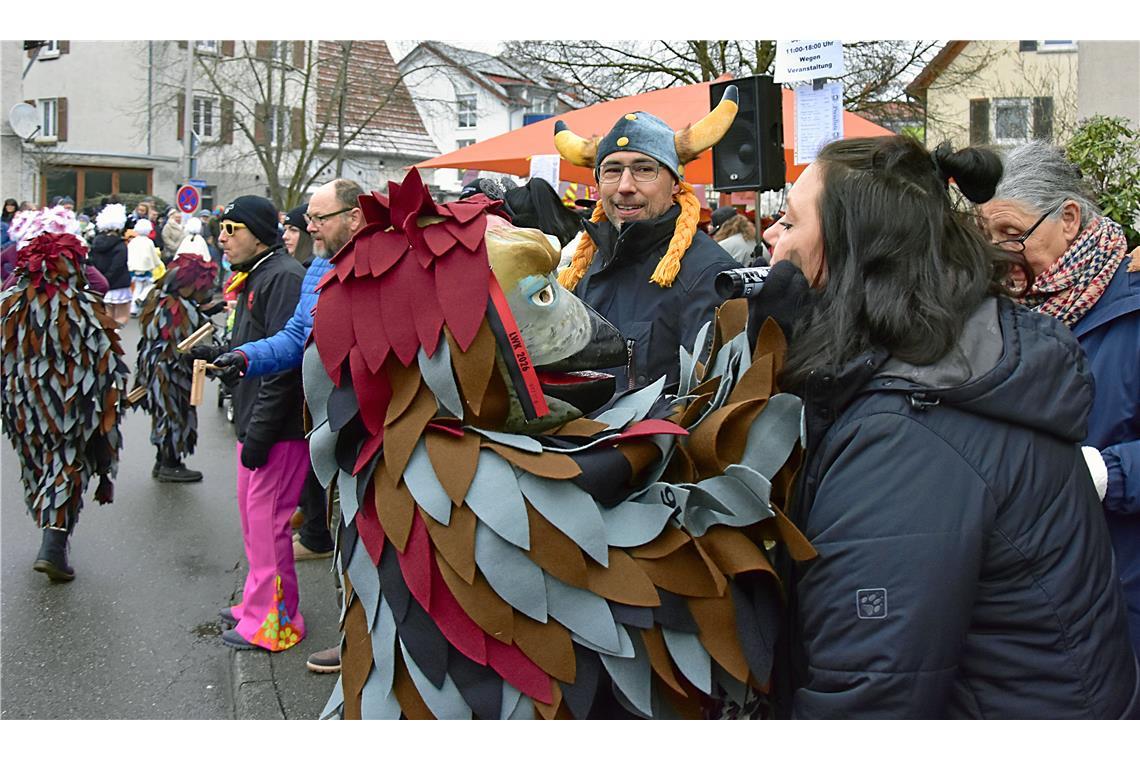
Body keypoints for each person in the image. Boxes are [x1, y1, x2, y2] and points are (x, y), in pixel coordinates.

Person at [748, 135, 1139, 718]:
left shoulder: (907, 428)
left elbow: (870, 697)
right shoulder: (940, 356)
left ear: (851, 249)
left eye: (791, 219)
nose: (772, 237)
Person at [979, 140, 1140, 658]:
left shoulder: (1131, 307)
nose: (1000, 252)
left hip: (1119, 595)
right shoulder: (995, 311)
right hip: (1031, 605)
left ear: (1068, 218)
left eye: (1012, 233)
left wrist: (1106, 472)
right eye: (987, 236)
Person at [208, 179, 365, 674]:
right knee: (319, 533)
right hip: (323, 425)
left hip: (367, 428)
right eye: (309, 218)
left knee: (359, 540)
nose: (308, 226)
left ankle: (353, 640)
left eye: (320, 218)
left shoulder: (382, 262)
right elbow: (296, 337)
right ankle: (280, 617)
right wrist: (244, 356)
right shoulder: (318, 266)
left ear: (355, 217)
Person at [554, 92, 740, 391]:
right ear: (598, 182)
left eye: (644, 169)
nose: (625, 186)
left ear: (676, 184)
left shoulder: (711, 275)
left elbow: (705, 403)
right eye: (613, 170)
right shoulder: (586, 265)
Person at [196, 195, 308, 652]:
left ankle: (277, 624)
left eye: (233, 228)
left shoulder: (282, 277)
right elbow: (253, 344)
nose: (222, 237)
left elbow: (285, 364)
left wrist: (260, 432)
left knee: (270, 527)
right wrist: (220, 354)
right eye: (221, 228)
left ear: (260, 233)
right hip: (256, 424)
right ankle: (258, 605)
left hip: (277, 430)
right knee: (254, 525)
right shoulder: (260, 274)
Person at [0, 206, 127, 582]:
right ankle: (54, 542)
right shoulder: (84, 305)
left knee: (38, 463)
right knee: (67, 464)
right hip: (71, 403)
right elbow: (103, 354)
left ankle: (51, 537)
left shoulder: (10, 303)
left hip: (22, 403)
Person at [134, 252, 220, 483]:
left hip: (158, 369)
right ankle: (170, 464)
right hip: (169, 373)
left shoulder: (161, 298)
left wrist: (204, 313)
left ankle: (163, 461)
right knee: (174, 414)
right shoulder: (174, 307)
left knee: (166, 415)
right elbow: (182, 346)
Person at [88, 204, 132, 325]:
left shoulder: (95, 243)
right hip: (119, 284)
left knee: (107, 315)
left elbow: (92, 263)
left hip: (101, 285)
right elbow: (118, 265)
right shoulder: (120, 245)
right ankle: (114, 337)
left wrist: (102, 280)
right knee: (122, 316)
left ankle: (108, 336)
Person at [126, 217, 163, 316]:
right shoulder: (149, 242)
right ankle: (141, 298)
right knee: (149, 285)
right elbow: (153, 255)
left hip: (134, 268)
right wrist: (158, 264)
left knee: (138, 286)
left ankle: (133, 309)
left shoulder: (133, 241)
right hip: (146, 267)